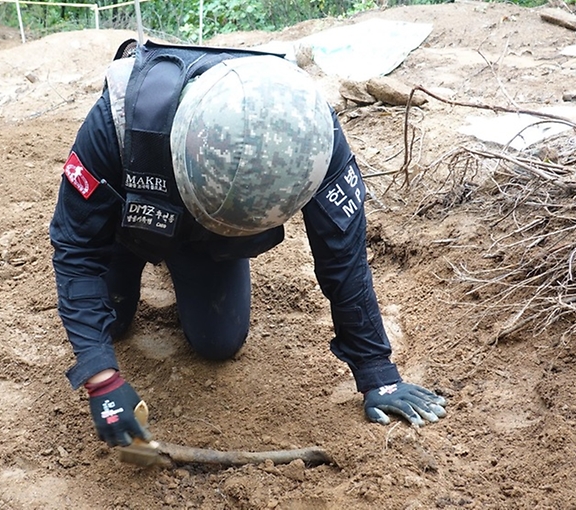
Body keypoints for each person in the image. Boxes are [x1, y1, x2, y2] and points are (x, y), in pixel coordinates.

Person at [49, 39, 447, 448]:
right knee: (109, 323)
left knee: (218, 342)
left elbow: (343, 258)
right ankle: (134, 255)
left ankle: (195, 257)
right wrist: (101, 378)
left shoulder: (311, 135)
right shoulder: (121, 118)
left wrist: (376, 372)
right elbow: (75, 248)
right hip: (130, 219)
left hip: (206, 244)